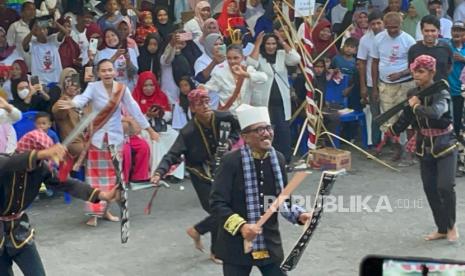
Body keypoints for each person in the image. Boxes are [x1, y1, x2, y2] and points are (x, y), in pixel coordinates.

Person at [210, 103, 312, 276]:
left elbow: (283, 200)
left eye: (268, 128)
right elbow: (217, 203)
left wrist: (299, 215)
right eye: (259, 130)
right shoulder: (231, 162)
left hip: (268, 240)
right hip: (236, 245)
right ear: (245, 137)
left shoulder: (278, 159)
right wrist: (242, 227)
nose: (266, 133)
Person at [56, 59, 159, 227]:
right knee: (95, 178)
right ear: (98, 73)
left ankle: (105, 211)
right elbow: (82, 99)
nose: (107, 73)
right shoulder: (93, 87)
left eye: (110, 70)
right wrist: (71, 103)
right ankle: (93, 213)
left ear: (115, 72)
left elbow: (134, 109)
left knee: (114, 178)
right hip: (97, 138)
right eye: (103, 71)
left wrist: (149, 130)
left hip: (115, 139)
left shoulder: (122, 89)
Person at [0, 136, 118, 275]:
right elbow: (12, 163)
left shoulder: (41, 169)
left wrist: (103, 195)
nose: (41, 162)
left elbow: (69, 184)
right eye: (39, 157)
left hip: (20, 231)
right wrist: (44, 153)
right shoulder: (5, 161)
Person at [150, 89, 241, 264]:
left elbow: (238, 130)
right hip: (200, 173)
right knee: (218, 211)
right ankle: (203, 235)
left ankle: (210, 243)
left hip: (221, 170)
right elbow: (172, 154)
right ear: (192, 107)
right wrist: (159, 172)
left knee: (223, 209)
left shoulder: (224, 117)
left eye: (207, 101)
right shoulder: (188, 131)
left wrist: (230, 141)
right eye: (200, 103)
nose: (206, 106)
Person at [388, 54, 458, 242]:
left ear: (431, 72)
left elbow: (436, 113)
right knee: (430, 188)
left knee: (445, 186)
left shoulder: (441, 91)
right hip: (424, 147)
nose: (417, 75)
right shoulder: (413, 94)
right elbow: (406, 117)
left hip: (445, 145)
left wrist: (417, 106)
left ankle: (451, 226)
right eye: (414, 71)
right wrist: (393, 129)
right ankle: (442, 228)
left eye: (421, 71)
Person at [246, 31, 300, 163]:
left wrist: (282, 41)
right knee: (265, 130)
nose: (271, 47)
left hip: (281, 100)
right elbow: (250, 63)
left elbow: (295, 59)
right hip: (264, 101)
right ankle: (267, 158)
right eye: (268, 44)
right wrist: (257, 43)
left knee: (283, 130)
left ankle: (285, 159)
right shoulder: (260, 56)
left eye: (273, 43)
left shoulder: (282, 55)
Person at [371, 12, 416, 162]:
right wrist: (374, 87)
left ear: (401, 25)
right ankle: (398, 148)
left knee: (407, 117)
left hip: (405, 84)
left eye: (395, 28)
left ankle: (409, 151)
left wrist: (401, 74)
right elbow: (375, 63)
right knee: (389, 119)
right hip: (385, 85)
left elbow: (414, 65)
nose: (391, 30)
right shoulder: (378, 39)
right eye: (389, 27)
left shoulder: (408, 40)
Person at [132, 71, 184, 179]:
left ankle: (175, 173)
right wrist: (148, 115)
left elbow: (168, 115)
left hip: (161, 126)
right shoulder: (135, 97)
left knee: (175, 136)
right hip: (144, 129)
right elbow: (134, 118)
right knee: (155, 140)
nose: (149, 88)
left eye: (152, 85)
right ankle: (159, 173)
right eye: (145, 85)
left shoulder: (161, 95)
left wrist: (161, 113)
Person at [204, 44, 267, 113]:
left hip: (246, 114)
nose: (232, 61)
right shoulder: (220, 73)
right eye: (229, 58)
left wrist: (244, 74)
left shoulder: (247, 70)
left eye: (235, 58)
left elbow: (264, 78)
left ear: (242, 58)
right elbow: (207, 88)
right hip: (228, 115)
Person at [358, 10, 385, 148]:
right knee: (375, 114)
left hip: (388, 82)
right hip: (370, 82)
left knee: (390, 112)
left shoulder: (389, 36)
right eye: (373, 24)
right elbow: (361, 63)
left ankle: (392, 142)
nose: (376, 26)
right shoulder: (365, 40)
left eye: (378, 23)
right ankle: (376, 143)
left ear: (383, 23)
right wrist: (363, 86)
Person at [52, 68, 88, 158]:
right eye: (68, 80)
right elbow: (58, 113)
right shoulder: (60, 102)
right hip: (73, 143)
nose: (72, 84)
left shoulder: (84, 100)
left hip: (88, 140)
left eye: (74, 79)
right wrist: (67, 97)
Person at [22, 17, 69, 85]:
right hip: (40, 83)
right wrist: (32, 31)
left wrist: (56, 24)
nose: (42, 31)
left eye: (44, 28)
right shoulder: (33, 44)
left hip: (56, 80)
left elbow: (65, 32)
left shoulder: (53, 39)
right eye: (39, 29)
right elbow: (24, 44)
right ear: (35, 32)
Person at [409, 15, 453, 82]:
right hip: (421, 90)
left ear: (439, 31)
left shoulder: (446, 48)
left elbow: (449, 67)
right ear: (421, 31)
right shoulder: (413, 49)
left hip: (441, 88)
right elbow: (411, 69)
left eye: (433, 31)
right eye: (426, 31)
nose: (429, 34)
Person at [447, 21, 465, 138]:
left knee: (460, 118)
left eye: (460, 30)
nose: (457, 33)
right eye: (454, 30)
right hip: (449, 89)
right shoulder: (446, 46)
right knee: (451, 119)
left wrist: (463, 59)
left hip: (463, 90)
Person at [6, 2, 35, 69]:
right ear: (21, 12)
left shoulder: (39, 26)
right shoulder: (14, 26)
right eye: (29, 9)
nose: (32, 12)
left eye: (34, 9)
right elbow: (10, 46)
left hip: (38, 65)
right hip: (22, 66)